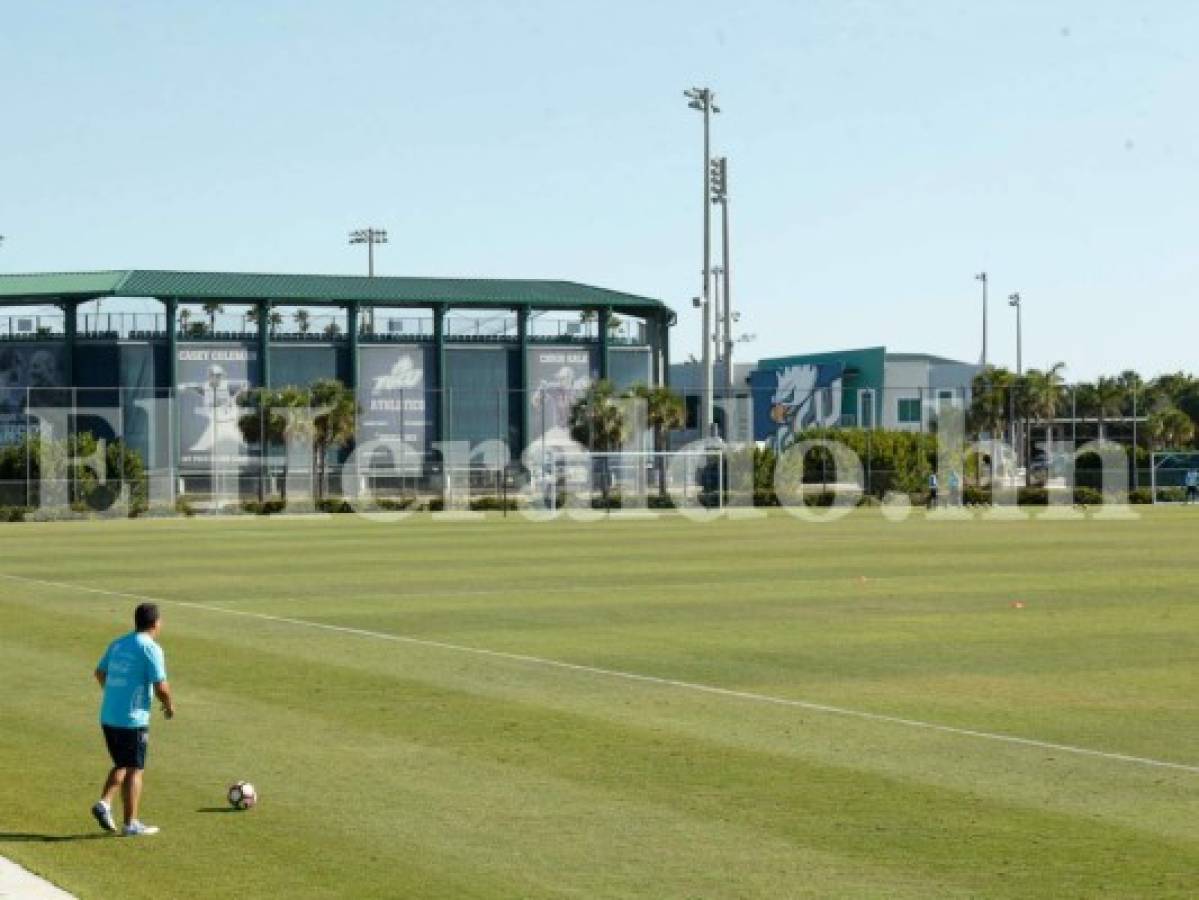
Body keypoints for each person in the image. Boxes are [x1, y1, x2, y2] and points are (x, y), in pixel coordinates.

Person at [92, 603, 175, 837]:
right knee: (135, 769)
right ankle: (130, 823)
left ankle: (105, 804)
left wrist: (115, 693)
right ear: (155, 623)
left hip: (109, 715)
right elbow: (161, 686)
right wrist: (169, 705)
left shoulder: (118, 643)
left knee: (122, 763)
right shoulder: (150, 648)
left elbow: (99, 672)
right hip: (132, 718)